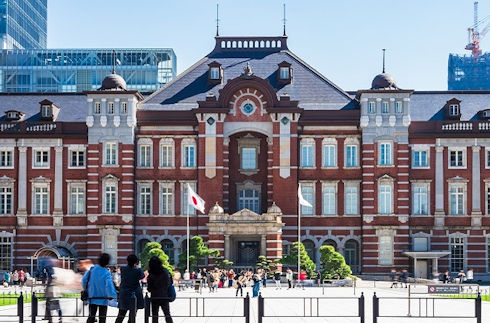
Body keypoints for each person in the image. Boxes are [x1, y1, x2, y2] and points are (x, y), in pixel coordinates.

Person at [82, 253, 117, 323]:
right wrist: (112, 295)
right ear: (107, 262)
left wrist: (86, 289)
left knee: (91, 317)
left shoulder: (92, 269)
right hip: (103, 298)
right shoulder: (106, 272)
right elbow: (109, 285)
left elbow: (84, 280)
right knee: (102, 319)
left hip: (92, 297)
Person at [115, 255, 145, 323]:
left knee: (121, 314)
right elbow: (142, 276)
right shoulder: (138, 271)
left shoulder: (123, 269)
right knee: (132, 316)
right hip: (134, 294)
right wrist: (138, 267)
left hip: (124, 294)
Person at [147, 256, 173, 323]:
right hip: (164, 295)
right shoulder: (165, 272)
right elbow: (168, 284)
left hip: (155, 296)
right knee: (167, 314)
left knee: (155, 315)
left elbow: (149, 288)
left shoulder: (151, 274)